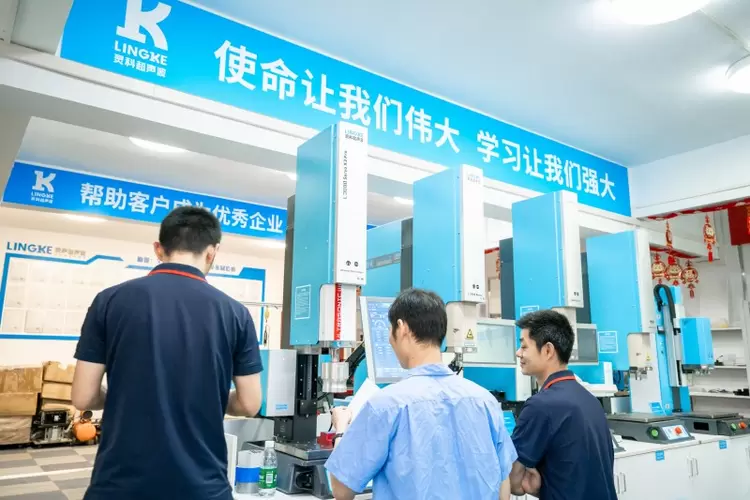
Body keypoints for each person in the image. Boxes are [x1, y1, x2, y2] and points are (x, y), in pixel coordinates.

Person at [71, 206, 263, 500]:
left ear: (158, 249)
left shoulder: (109, 301)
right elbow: (250, 404)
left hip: (119, 485)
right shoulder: (235, 313)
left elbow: (83, 397)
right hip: (202, 487)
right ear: (212, 252)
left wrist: (124, 395)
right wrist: (206, 397)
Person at [325, 288, 516, 500]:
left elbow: (341, 489)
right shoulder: (486, 402)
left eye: (390, 329)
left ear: (402, 328)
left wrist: (341, 430)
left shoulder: (386, 405)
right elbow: (503, 490)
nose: (389, 339)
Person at [508, 309, 617, 500]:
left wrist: (531, 485)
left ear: (548, 350)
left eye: (524, 346)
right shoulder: (590, 400)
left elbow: (513, 480)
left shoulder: (540, 406)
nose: (518, 353)